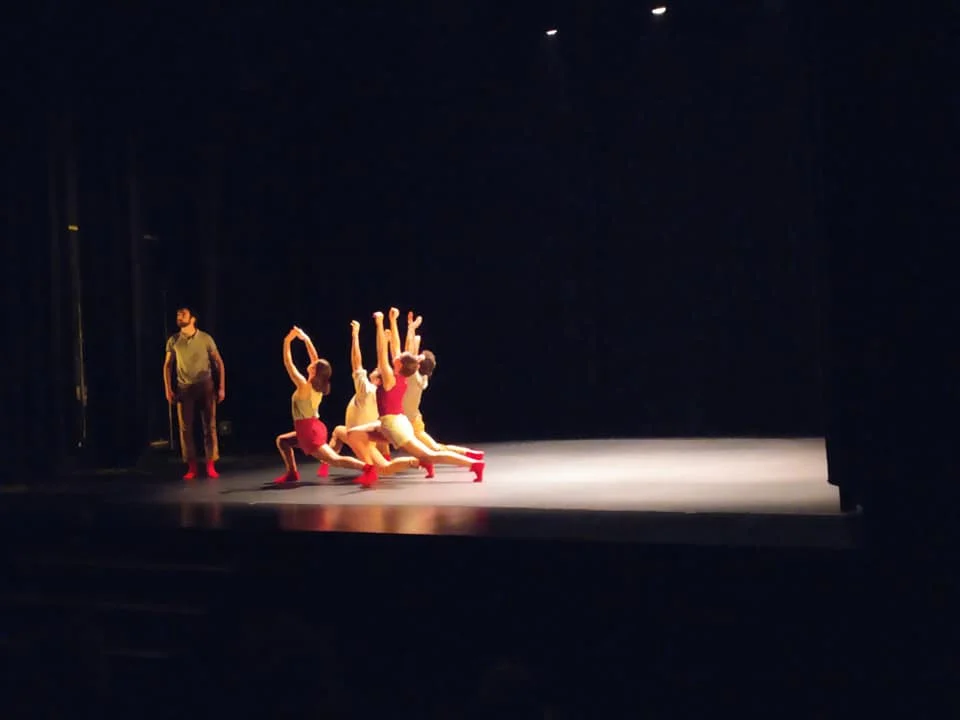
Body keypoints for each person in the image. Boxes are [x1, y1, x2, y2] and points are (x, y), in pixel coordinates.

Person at [371, 308, 485, 481]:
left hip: (395, 425)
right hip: (397, 421)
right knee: (357, 434)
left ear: (400, 365)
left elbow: (382, 353)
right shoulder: (401, 375)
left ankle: (473, 464)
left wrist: (379, 324)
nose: (397, 355)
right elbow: (395, 347)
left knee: (430, 454)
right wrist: (393, 320)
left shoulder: (390, 379)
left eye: (399, 358)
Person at [273, 326, 378, 487]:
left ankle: (368, 468)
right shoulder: (317, 385)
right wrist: (306, 338)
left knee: (334, 460)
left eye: (314, 365)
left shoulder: (304, 386)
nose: (312, 363)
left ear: (314, 371)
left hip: (308, 431)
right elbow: (315, 358)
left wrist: (287, 341)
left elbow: (288, 363)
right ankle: (292, 473)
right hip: (310, 427)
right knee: (283, 441)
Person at [323, 320, 420, 479]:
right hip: (372, 436)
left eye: (376, 370)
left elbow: (357, 363)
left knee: (338, 431)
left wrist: (355, 336)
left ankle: (326, 463)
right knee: (385, 468)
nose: (375, 368)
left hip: (359, 437)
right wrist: (387, 340)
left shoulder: (366, 390)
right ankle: (412, 462)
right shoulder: (386, 388)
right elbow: (384, 363)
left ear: (377, 379)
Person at [394, 310, 484, 462]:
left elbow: (409, 351)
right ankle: (467, 453)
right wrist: (412, 330)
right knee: (433, 448)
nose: (417, 357)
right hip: (413, 419)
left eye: (419, 357)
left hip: (407, 421)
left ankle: (467, 456)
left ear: (419, 364)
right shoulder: (423, 379)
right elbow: (412, 352)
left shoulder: (413, 376)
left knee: (434, 449)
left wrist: (412, 328)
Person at [163, 307, 226, 480]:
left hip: (205, 385)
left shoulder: (205, 338)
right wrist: (168, 389)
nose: (179, 316)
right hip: (184, 387)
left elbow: (219, 362)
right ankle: (192, 467)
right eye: (178, 314)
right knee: (185, 428)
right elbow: (167, 366)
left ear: (192, 319)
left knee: (209, 425)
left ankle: (210, 464)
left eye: (183, 314)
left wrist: (221, 387)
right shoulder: (174, 340)